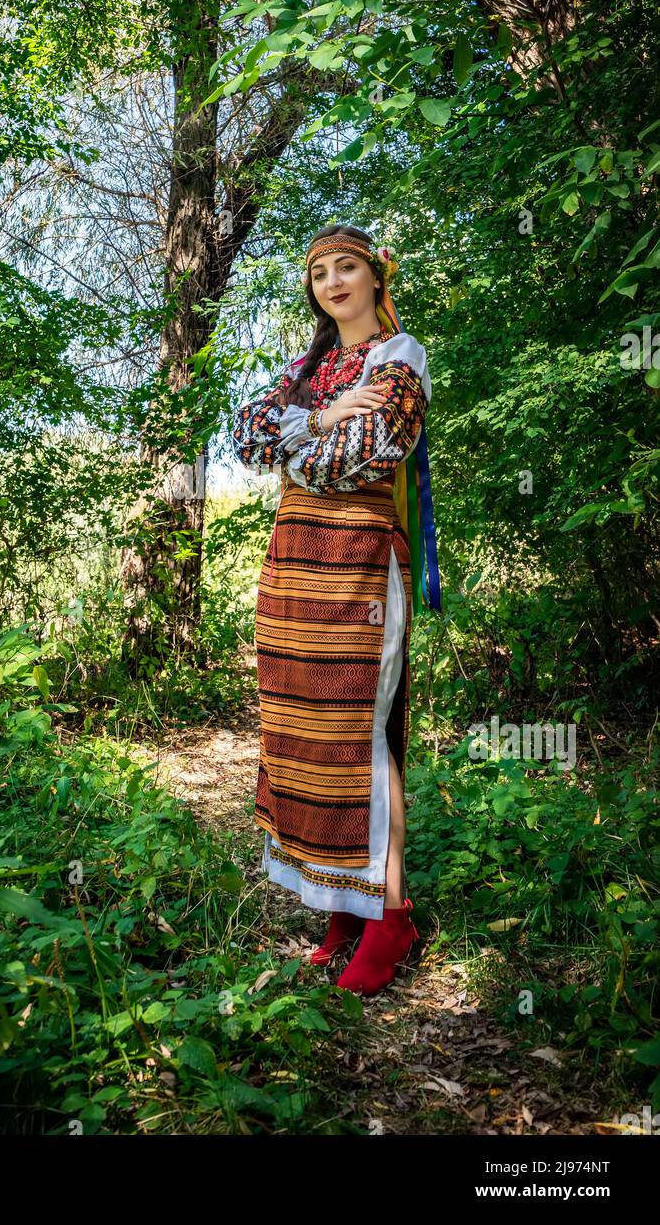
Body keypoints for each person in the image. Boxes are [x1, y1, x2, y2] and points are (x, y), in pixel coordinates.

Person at [230, 224, 440, 995]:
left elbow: (364, 454)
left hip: (357, 564)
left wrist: (306, 440)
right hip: (293, 565)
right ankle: (342, 913)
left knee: (361, 729)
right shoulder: (309, 366)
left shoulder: (400, 357)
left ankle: (392, 918)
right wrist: (320, 416)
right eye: (319, 271)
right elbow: (246, 438)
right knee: (303, 729)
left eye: (346, 266)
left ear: (377, 276)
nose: (332, 281)